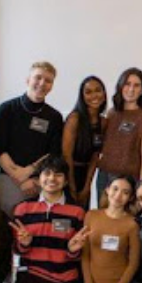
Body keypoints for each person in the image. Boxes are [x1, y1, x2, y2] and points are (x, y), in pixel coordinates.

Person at [9, 156, 90, 283]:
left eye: (58, 175)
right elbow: (16, 249)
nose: (52, 179)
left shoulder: (77, 212)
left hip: (63, 279)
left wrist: (72, 249)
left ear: (66, 181)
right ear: (38, 179)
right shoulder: (23, 209)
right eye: (47, 174)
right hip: (31, 277)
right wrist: (24, 244)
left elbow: (77, 255)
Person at [0, 61, 63, 214]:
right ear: (28, 80)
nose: (42, 83)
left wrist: (30, 175)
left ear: (52, 86)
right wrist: (19, 177)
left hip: (38, 182)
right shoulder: (7, 109)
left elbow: (53, 153)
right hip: (9, 179)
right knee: (7, 227)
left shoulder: (55, 117)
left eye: (48, 80)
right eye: (38, 77)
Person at [80, 175, 140, 283]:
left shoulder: (132, 224)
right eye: (115, 189)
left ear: (130, 197)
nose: (118, 195)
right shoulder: (91, 216)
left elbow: (133, 263)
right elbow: (85, 255)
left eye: (125, 192)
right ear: (107, 190)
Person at [96, 68, 142, 205]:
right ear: (121, 86)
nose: (131, 89)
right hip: (105, 177)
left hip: (129, 180)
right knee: (104, 218)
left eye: (136, 85)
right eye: (127, 84)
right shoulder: (111, 113)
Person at [62, 76, 107, 209]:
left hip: (86, 173)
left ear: (104, 94)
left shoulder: (103, 122)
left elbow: (95, 156)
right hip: (68, 173)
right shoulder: (74, 119)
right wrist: (72, 187)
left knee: (82, 215)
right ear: (82, 96)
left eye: (98, 90)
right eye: (88, 92)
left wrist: (87, 186)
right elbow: (66, 156)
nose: (94, 95)